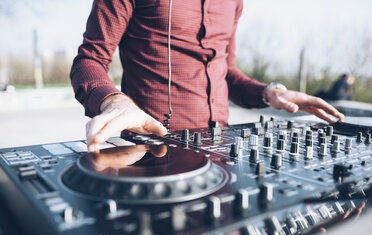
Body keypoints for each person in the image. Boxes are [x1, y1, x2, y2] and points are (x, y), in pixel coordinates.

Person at [70, 0, 344, 152]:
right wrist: (115, 102)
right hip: (150, 150)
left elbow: (227, 73)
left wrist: (270, 92)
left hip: (222, 151)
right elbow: (89, 59)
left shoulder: (233, 3)